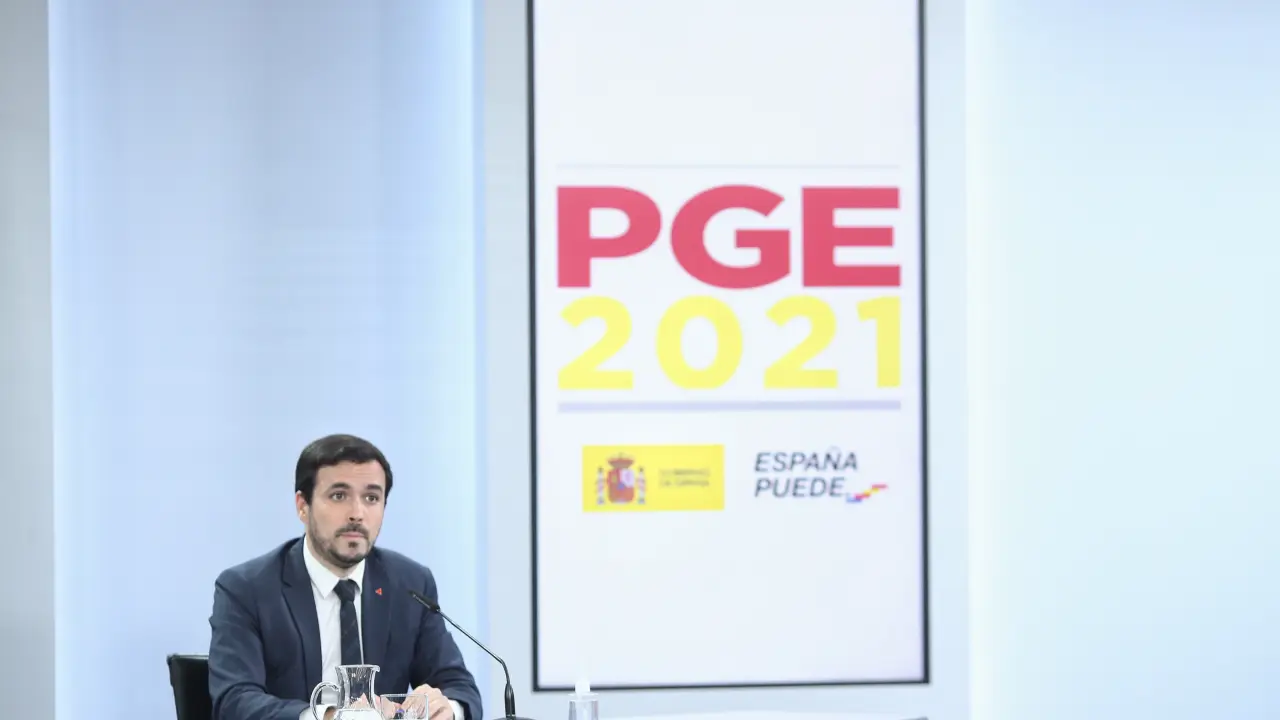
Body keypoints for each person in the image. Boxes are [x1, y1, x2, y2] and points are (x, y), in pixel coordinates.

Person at [208, 434, 482, 720]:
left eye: (371, 498)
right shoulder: (247, 589)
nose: (357, 514)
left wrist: (447, 710)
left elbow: (459, 687)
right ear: (302, 505)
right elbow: (234, 701)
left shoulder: (410, 585)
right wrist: (330, 717)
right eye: (339, 496)